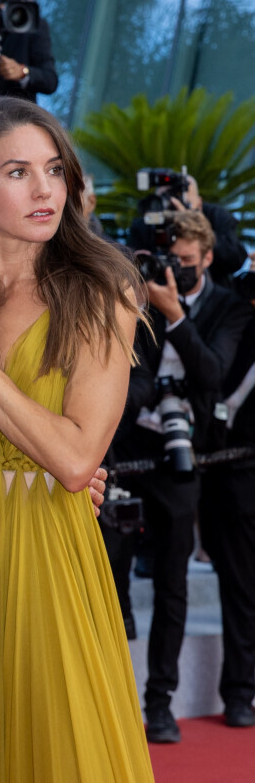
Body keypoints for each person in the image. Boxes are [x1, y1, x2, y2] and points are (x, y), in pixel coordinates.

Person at [0, 96, 154, 782]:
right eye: (19, 171)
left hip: (49, 551)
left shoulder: (100, 290)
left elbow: (74, 457)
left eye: (54, 170)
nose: (45, 190)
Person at [109, 210, 252, 743]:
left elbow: (212, 374)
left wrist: (176, 317)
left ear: (209, 258)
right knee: (113, 582)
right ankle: (115, 699)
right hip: (129, 454)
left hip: (182, 461)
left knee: (173, 587)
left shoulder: (226, 307)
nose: (178, 273)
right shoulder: (136, 301)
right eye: (172, 263)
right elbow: (130, 377)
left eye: (189, 264)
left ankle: (160, 705)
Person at [200, 266, 255, 728]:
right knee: (242, 588)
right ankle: (240, 691)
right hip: (238, 472)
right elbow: (217, 373)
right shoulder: (237, 311)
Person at [129, 175, 247, 287]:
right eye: (164, 202)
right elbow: (131, 268)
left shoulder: (216, 216)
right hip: (156, 294)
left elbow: (236, 259)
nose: (171, 210)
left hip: (211, 296)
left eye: (180, 202)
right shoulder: (144, 224)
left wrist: (197, 227)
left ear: (199, 203)